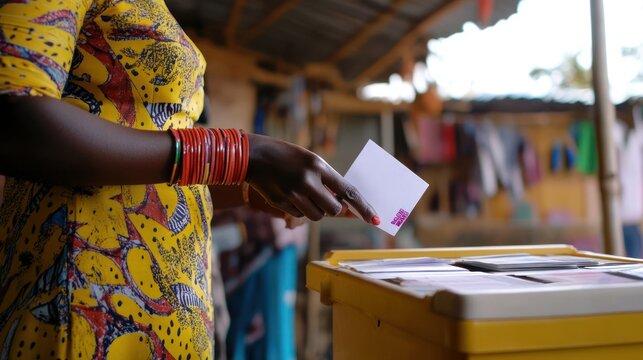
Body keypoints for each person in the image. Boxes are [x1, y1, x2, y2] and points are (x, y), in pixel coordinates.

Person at [0, 1, 379, 359]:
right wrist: (242, 155)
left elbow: (148, 177)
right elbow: (15, 118)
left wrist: (250, 187)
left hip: (163, 313)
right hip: (90, 301)